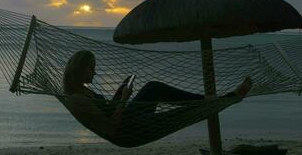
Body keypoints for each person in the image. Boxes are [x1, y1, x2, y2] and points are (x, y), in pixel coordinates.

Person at [59, 50, 252, 138]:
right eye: (91, 68)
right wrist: (124, 99)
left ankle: (215, 100)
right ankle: (222, 98)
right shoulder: (78, 100)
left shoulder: (83, 91)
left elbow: (107, 111)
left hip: (129, 121)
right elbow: (110, 127)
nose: (94, 72)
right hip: (127, 130)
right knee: (158, 93)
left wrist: (118, 95)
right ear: (80, 69)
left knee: (155, 90)